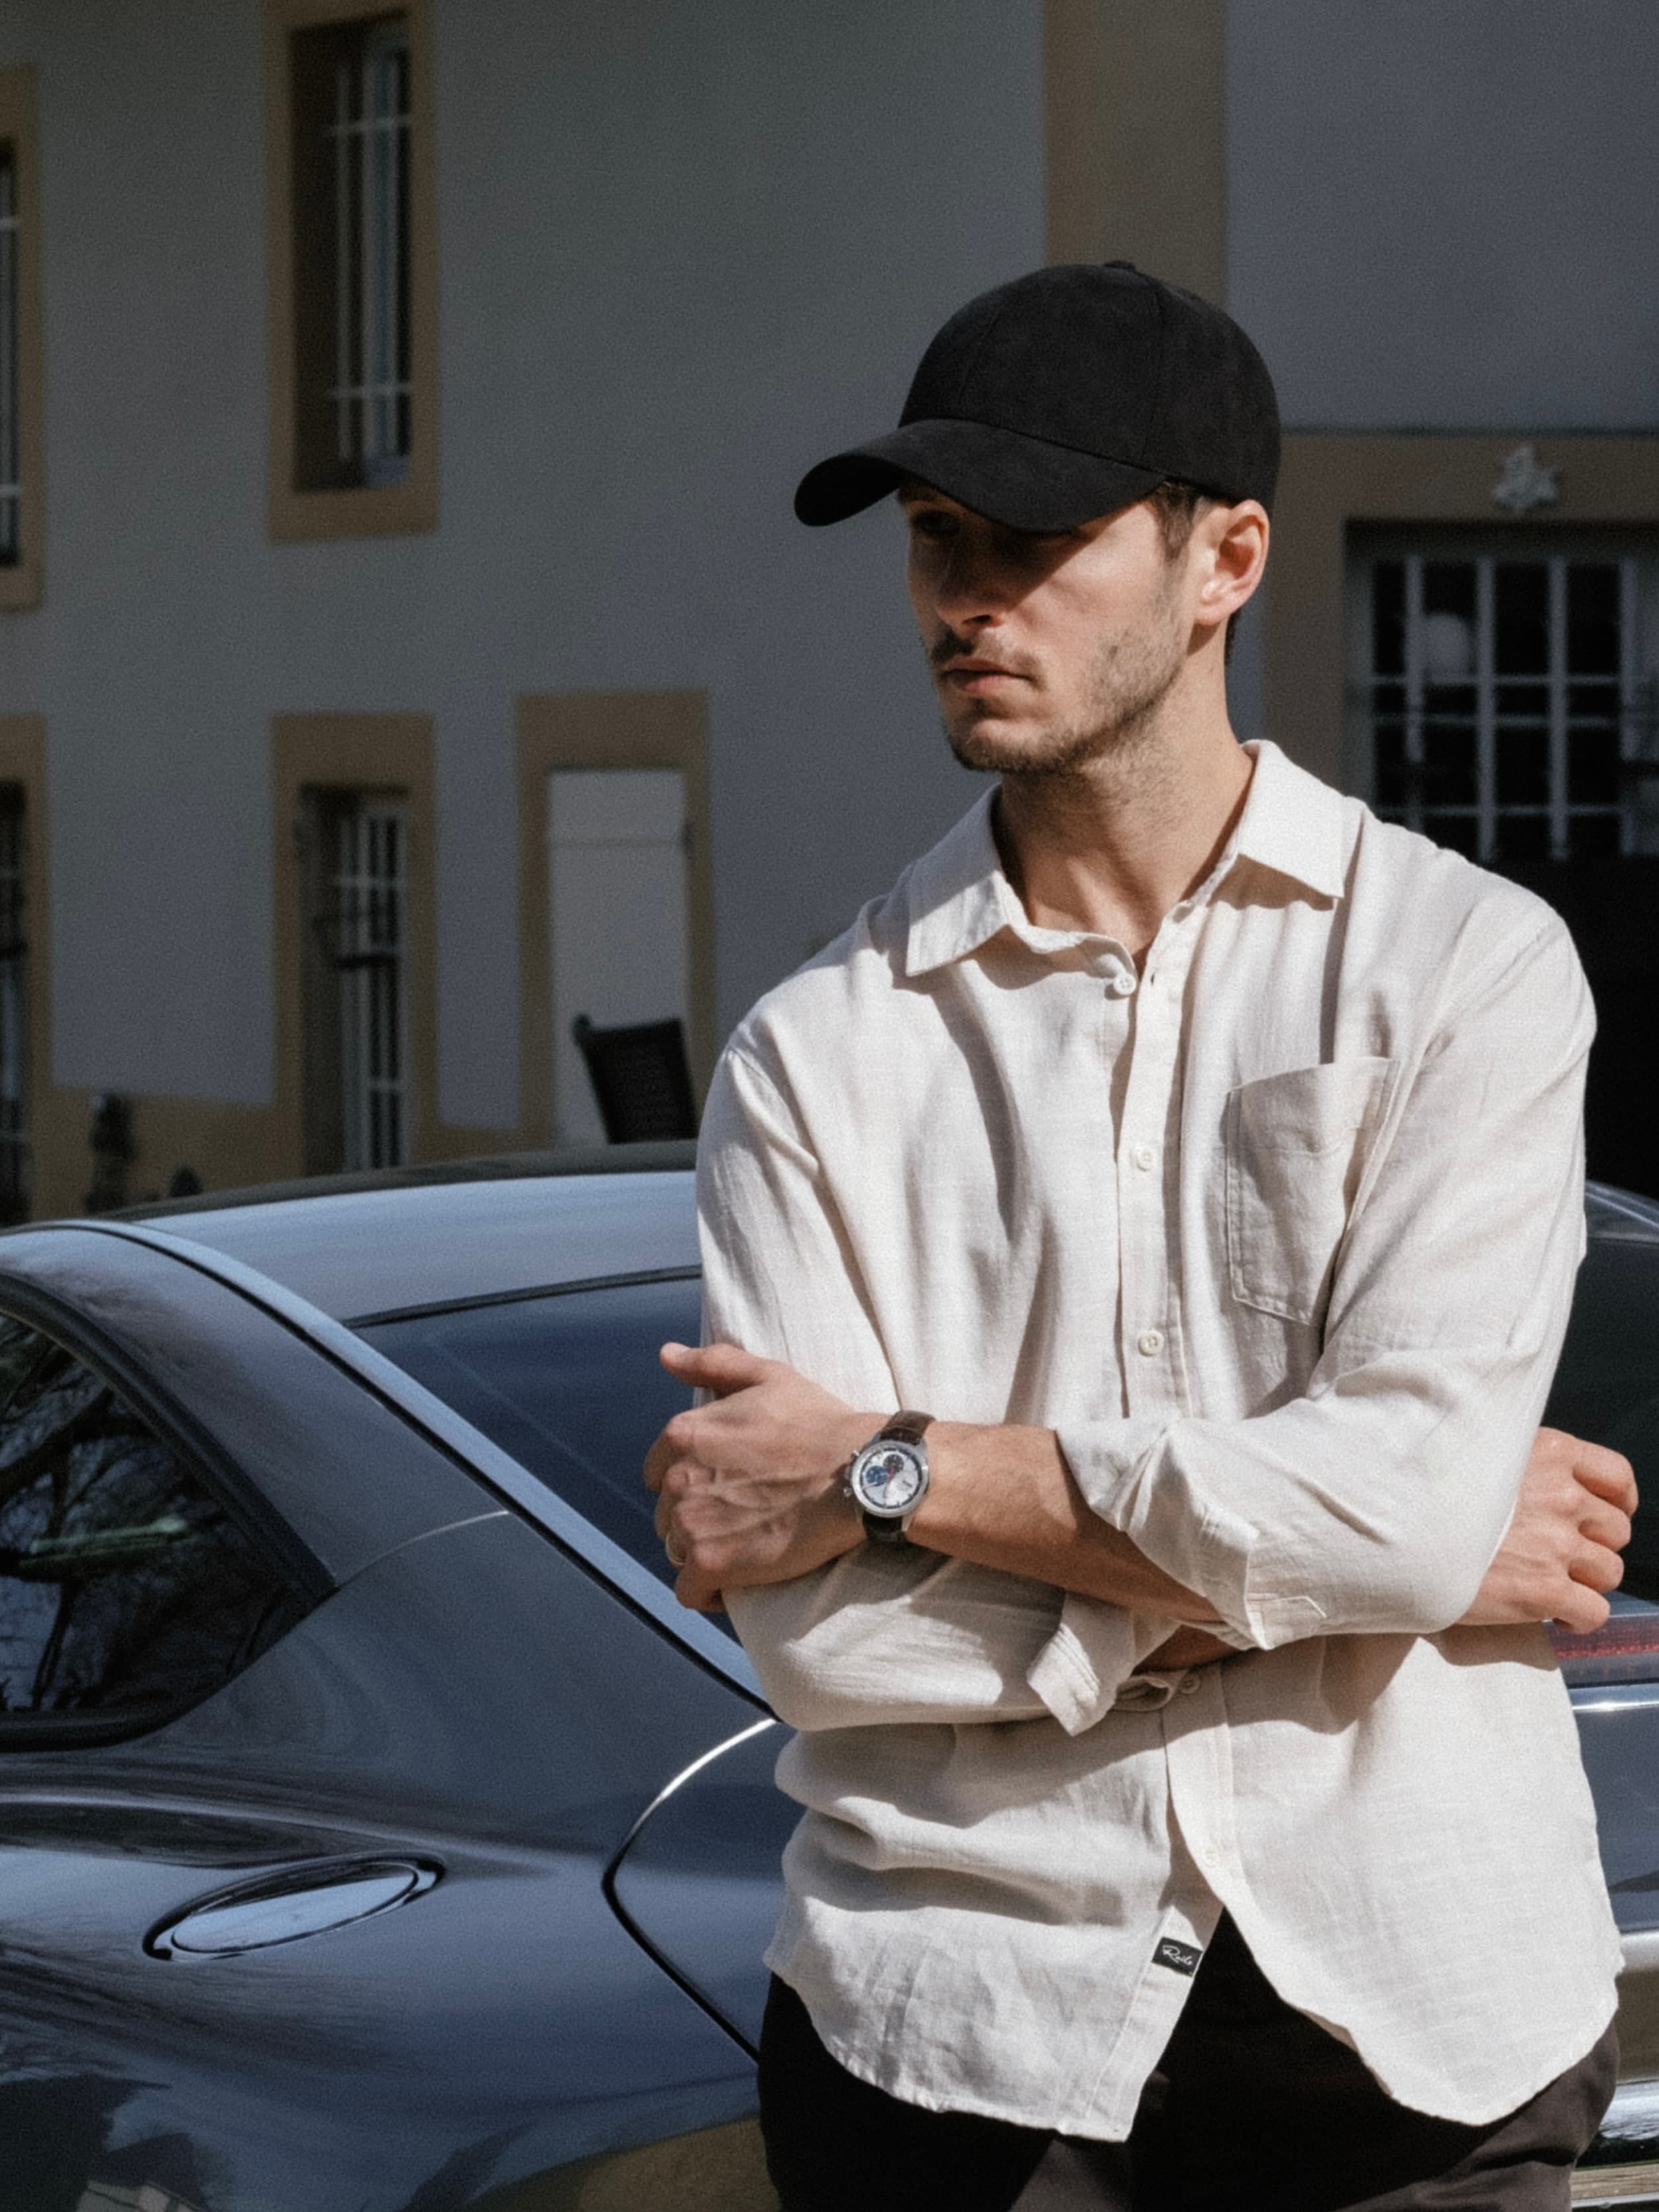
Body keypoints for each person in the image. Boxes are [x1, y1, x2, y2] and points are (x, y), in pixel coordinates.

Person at [643, 262, 1636, 2211]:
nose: (965, 596)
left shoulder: (1466, 967)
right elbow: (825, 1638)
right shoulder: (817, 1056)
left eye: (1035, 536)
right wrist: (1384, 1560)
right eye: (937, 540)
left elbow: (1407, 1508)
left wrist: (892, 1467)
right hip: (955, 2029)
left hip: (1414, 2025)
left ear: (1226, 558)